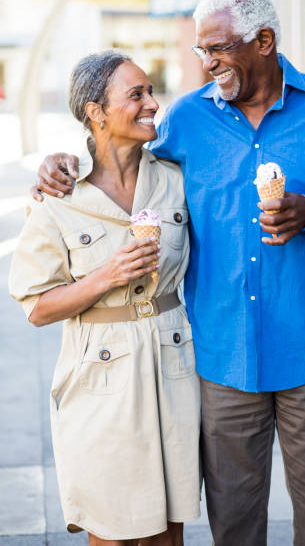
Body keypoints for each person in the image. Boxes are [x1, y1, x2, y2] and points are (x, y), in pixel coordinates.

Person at [32, 0, 305, 546]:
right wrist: (63, 162)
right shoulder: (188, 119)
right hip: (222, 358)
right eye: (202, 51)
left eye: (218, 49)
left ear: (265, 41)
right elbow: (125, 158)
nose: (207, 63)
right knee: (233, 525)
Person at [10, 50, 201, 546]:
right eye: (136, 94)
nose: (153, 104)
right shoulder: (59, 197)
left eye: (151, 91)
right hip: (99, 374)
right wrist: (104, 278)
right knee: (112, 532)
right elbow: (35, 307)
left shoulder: (175, 181)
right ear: (95, 111)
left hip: (172, 364)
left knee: (169, 528)